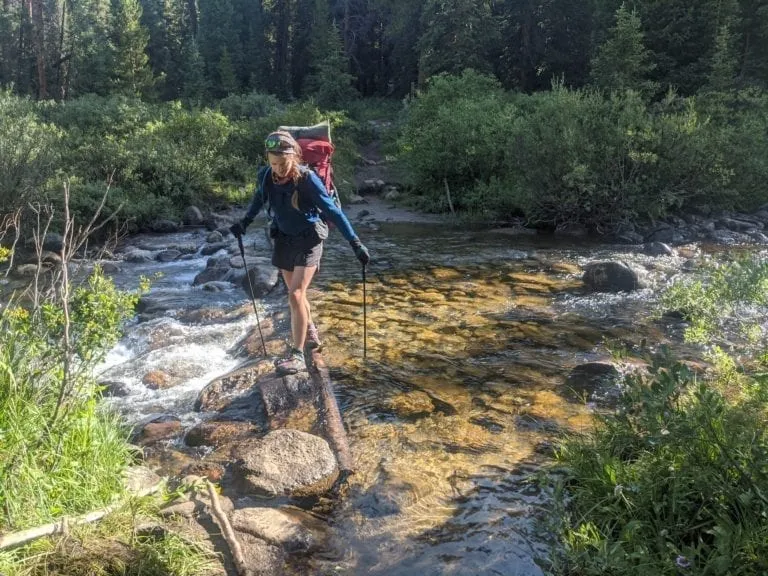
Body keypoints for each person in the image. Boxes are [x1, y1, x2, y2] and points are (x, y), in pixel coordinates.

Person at [229, 130, 370, 375]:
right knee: (297, 296)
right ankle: (311, 333)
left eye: (282, 163)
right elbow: (257, 201)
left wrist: (355, 242)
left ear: (293, 157)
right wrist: (244, 222)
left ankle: (297, 355)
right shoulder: (265, 177)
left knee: (295, 295)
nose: (278, 169)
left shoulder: (307, 179)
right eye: (273, 163)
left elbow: (333, 212)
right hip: (284, 239)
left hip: (310, 239)